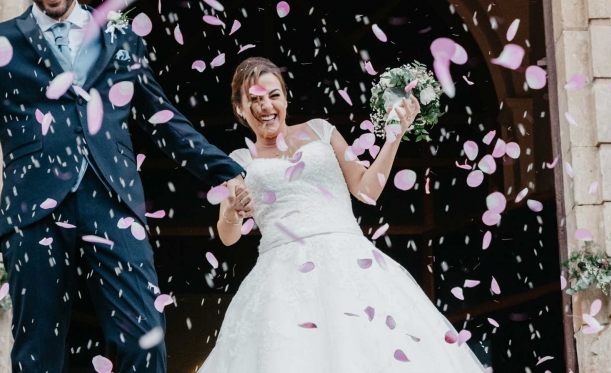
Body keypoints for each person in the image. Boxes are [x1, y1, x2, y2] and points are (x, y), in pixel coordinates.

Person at [0, 0, 251, 373]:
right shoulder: (0, 42)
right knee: (38, 350)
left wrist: (225, 170)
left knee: (143, 336)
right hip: (34, 210)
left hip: (112, 202)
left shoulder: (120, 38)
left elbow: (164, 121)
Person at [198, 57, 489, 373]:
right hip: (281, 279)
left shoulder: (321, 131)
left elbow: (367, 190)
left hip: (350, 264)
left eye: (273, 95)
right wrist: (231, 210)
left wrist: (393, 137)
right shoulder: (238, 160)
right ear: (239, 108)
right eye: (254, 99)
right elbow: (227, 236)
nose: (266, 105)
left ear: (284, 98)